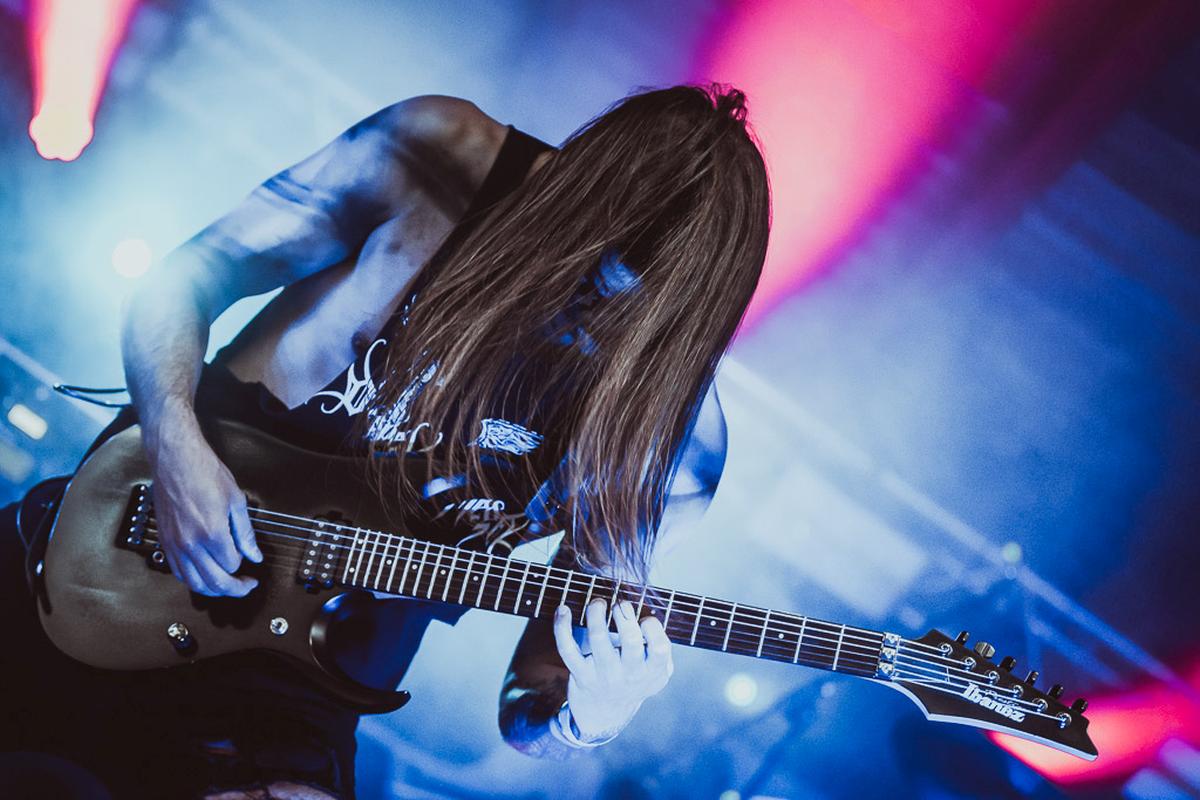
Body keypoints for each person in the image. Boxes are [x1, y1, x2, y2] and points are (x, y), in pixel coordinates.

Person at [0, 84, 770, 799]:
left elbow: (530, 705)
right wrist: (176, 450)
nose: (582, 316)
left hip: (289, 702)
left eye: (626, 314)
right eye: (580, 270)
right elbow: (185, 278)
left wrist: (592, 715)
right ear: (567, 198)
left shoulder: (670, 449)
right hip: (109, 558)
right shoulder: (439, 159)